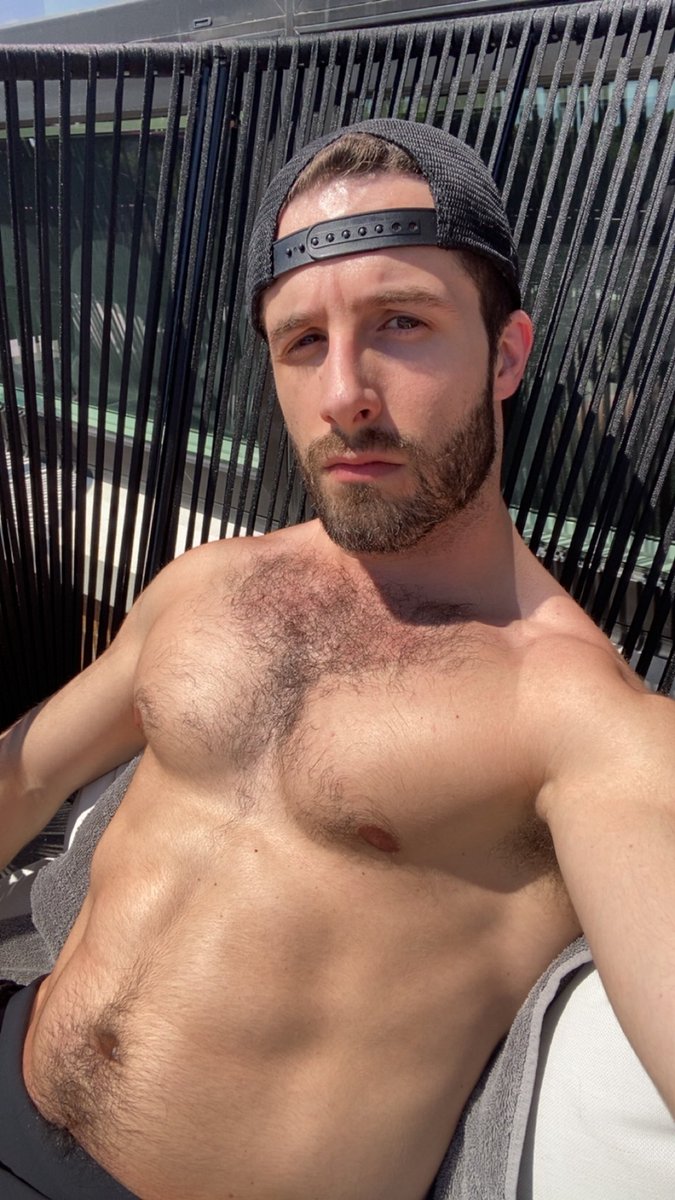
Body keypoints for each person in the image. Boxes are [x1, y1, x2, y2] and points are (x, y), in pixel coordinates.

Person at [0, 117, 673, 1200]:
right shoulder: (207, 586)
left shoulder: (575, 717)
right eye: (302, 342)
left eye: (401, 323)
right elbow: (25, 776)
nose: (343, 393)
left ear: (506, 354)